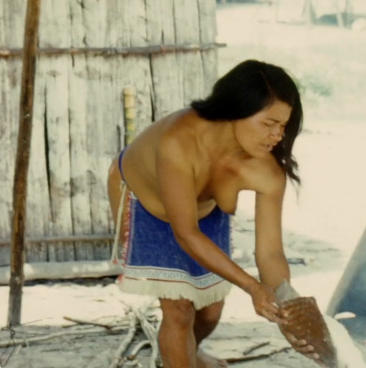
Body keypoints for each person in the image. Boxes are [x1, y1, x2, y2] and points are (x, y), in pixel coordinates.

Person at [107, 59, 315, 368]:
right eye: (269, 124)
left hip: (204, 208)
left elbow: (270, 253)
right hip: (147, 203)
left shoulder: (267, 171)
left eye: (283, 126)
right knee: (179, 311)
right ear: (235, 110)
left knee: (210, 309)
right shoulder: (178, 141)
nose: (277, 136)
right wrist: (252, 287)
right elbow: (185, 233)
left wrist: (288, 312)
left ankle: (190, 354)